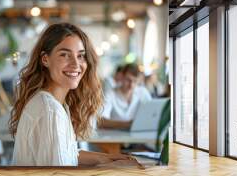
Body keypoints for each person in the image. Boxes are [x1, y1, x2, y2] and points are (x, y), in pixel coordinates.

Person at [9, 23, 143, 167]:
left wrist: (107, 158)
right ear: (45, 59)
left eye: (80, 56)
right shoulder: (50, 110)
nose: (76, 64)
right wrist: (111, 168)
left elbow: (69, 154)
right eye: (64, 55)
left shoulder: (55, 103)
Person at [99, 64, 152, 130]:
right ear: (121, 77)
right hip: (115, 136)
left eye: (135, 81)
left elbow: (152, 114)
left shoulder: (142, 92)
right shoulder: (110, 94)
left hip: (139, 134)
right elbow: (101, 121)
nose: (131, 85)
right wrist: (128, 125)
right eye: (128, 80)